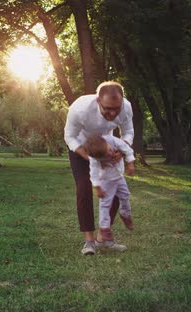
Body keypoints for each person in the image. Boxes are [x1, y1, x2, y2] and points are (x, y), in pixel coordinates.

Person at [64, 81, 134, 255]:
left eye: (116, 109)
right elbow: (69, 136)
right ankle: (89, 241)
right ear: (98, 101)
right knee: (84, 188)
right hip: (80, 147)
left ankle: (103, 237)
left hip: (108, 148)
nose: (113, 113)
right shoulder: (80, 108)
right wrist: (91, 158)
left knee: (115, 188)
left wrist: (121, 149)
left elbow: (128, 131)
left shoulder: (126, 107)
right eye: (108, 109)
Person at [84, 135, 135, 252]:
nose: (110, 155)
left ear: (106, 143)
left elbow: (127, 150)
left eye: (109, 151)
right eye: (106, 156)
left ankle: (125, 214)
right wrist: (98, 188)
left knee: (125, 196)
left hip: (119, 177)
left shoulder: (113, 140)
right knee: (105, 205)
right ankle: (105, 229)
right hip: (106, 181)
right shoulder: (94, 159)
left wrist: (131, 163)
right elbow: (94, 174)